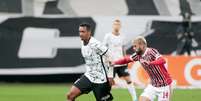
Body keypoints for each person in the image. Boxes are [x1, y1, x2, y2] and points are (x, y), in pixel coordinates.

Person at [112, 36, 173, 101]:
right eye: (133, 46)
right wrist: (114, 63)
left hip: (164, 85)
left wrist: (150, 63)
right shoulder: (138, 55)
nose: (133, 48)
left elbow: (162, 60)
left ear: (142, 45)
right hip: (153, 85)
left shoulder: (151, 52)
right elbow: (126, 60)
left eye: (135, 46)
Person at [67, 23, 113, 101]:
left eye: (83, 32)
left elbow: (110, 56)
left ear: (89, 32)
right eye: (79, 32)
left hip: (101, 79)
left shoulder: (96, 44)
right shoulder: (82, 42)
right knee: (70, 96)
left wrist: (110, 75)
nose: (80, 34)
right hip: (89, 76)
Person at [103, 19, 138, 101]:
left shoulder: (123, 36)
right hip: (112, 64)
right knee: (109, 84)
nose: (116, 26)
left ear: (120, 26)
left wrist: (126, 60)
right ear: (113, 26)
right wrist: (106, 60)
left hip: (122, 63)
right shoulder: (108, 36)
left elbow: (123, 49)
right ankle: (106, 99)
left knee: (129, 80)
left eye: (118, 24)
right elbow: (103, 48)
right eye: (115, 24)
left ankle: (135, 98)